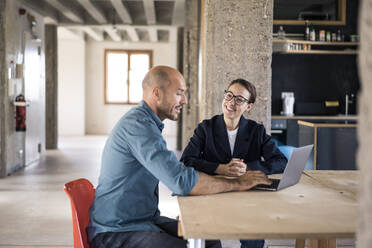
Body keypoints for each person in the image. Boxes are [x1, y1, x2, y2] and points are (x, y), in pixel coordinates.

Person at [87, 66, 272, 248]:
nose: (184, 100)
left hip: (143, 220)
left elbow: (179, 172)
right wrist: (237, 184)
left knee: (208, 239)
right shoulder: (138, 126)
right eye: (179, 93)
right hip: (116, 231)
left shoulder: (148, 124)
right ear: (157, 94)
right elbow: (180, 181)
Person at [181, 78, 288, 248]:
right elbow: (186, 161)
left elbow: (281, 161)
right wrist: (219, 168)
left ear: (249, 106)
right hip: (211, 194)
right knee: (207, 239)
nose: (231, 102)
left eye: (239, 99)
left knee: (254, 240)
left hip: (246, 197)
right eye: (229, 96)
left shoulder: (256, 131)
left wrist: (249, 168)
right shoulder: (206, 128)